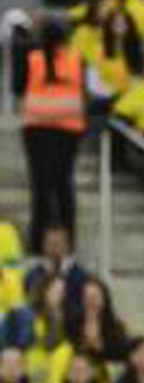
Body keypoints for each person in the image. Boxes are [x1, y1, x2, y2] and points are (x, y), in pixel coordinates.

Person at [20, 16, 85, 256]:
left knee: (49, 186)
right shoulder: (71, 60)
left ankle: (47, 242)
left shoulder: (34, 58)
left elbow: (19, 87)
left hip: (51, 130)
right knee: (54, 187)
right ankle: (48, 241)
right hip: (52, 130)